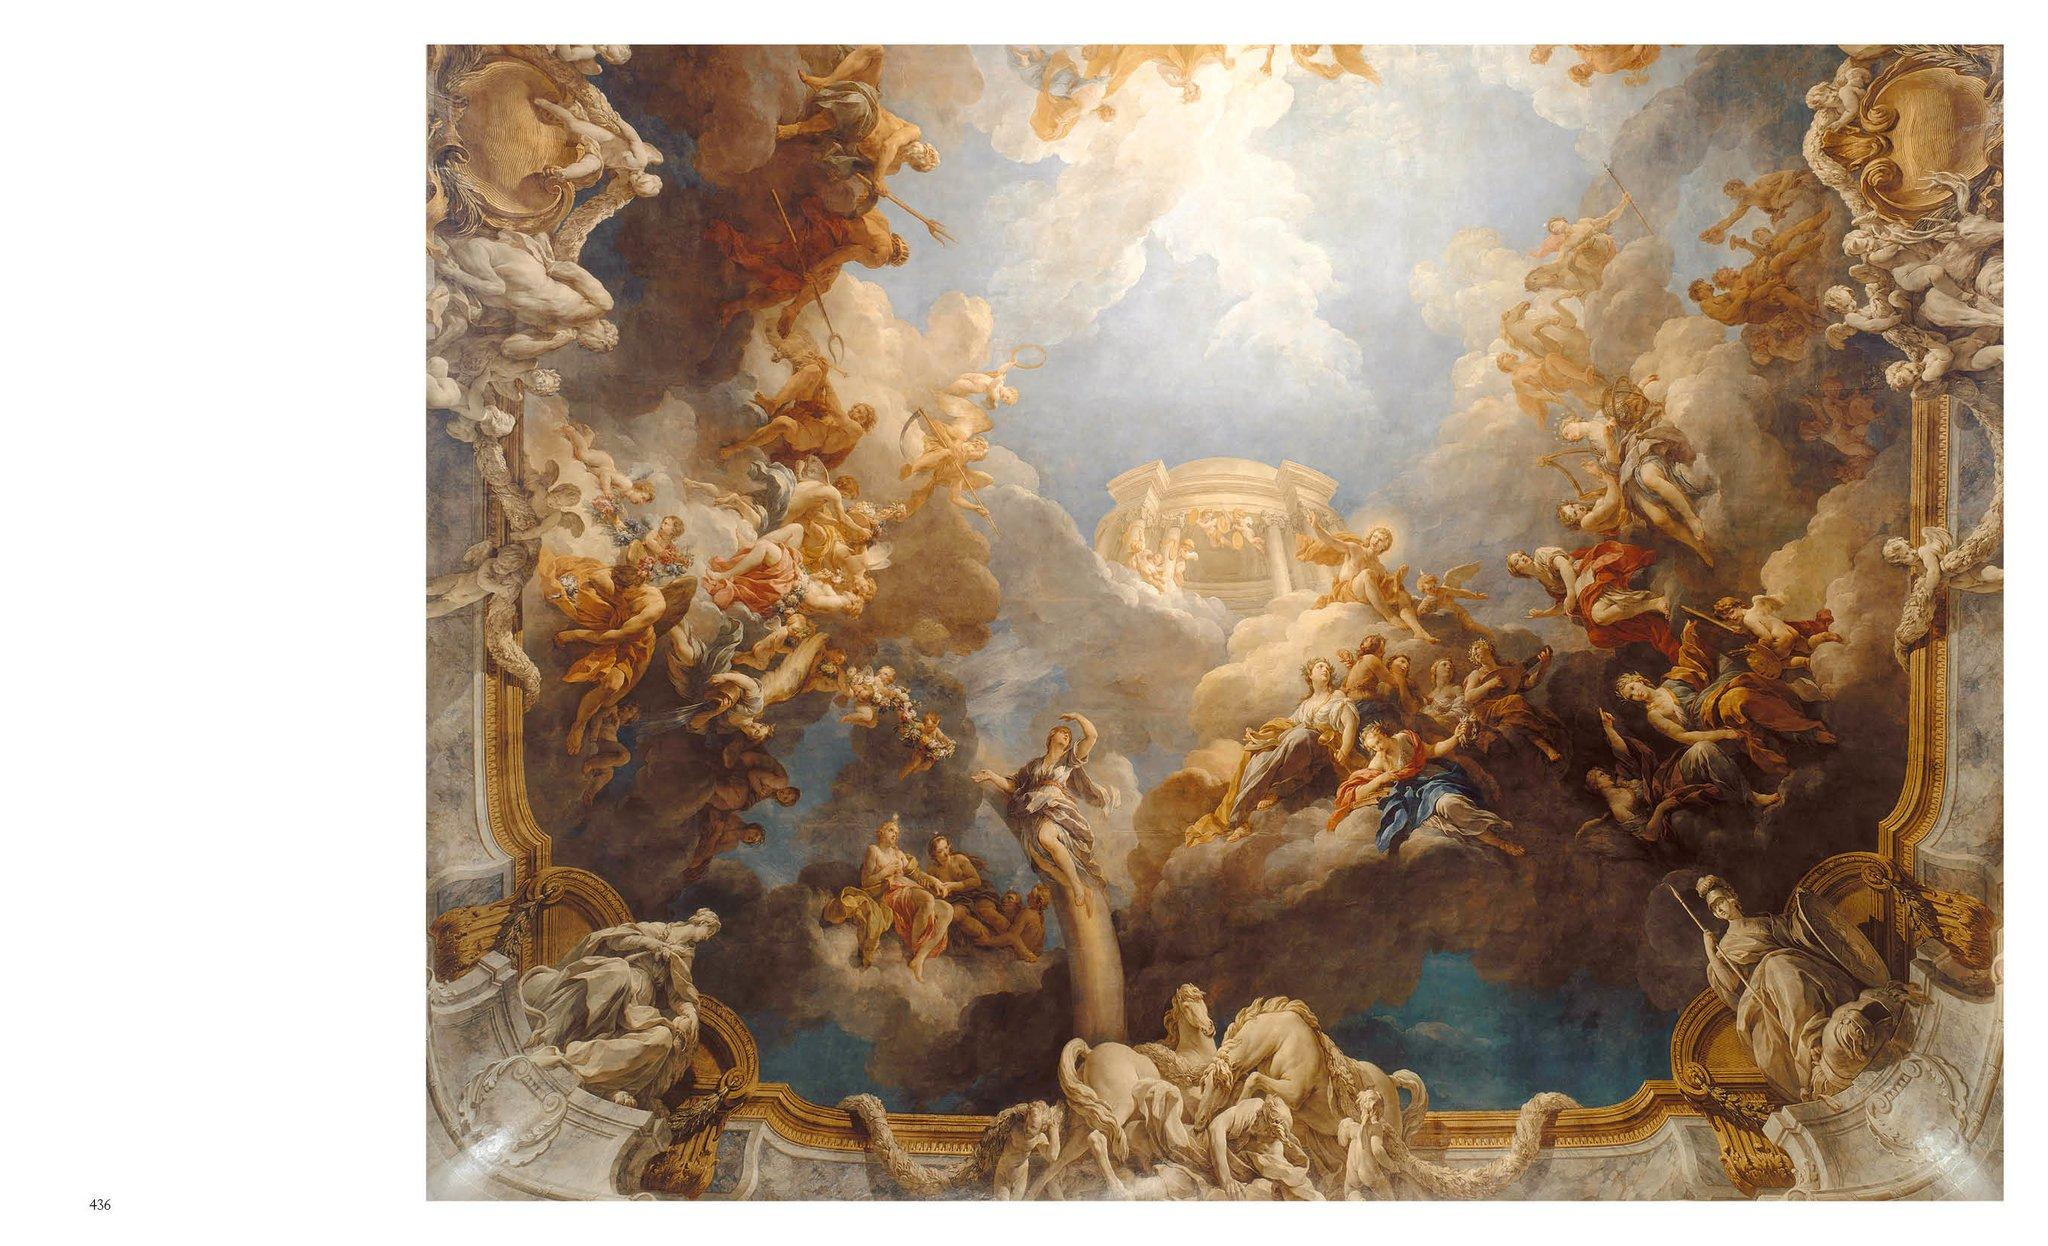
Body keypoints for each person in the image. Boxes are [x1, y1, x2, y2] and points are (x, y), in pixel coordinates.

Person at [1694, 875, 1900, 1100]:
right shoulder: (1724, 947)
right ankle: (1812, 1048)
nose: (1719, 909)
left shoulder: (1766, 923)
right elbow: (1731, 984)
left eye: (1720, 901)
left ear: (1732, 897)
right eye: (1713, 908)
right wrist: (1710, 952)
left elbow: (1798, 936)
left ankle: (1815, 1039)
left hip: (1806, 972)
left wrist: (1804, 915)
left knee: (1779, 964)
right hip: (1765, 995)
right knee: (1776, 965)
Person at [1186, 659, 1360, 844]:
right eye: (1319, 666)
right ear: (1310, 676)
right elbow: (1285, 728)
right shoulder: (1305, 705)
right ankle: (1241, 820)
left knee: (1300, 736)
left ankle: (1274, 789)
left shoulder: (1336, 696)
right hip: (1300, 743)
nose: (1325, 669)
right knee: (1259, 756)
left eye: (1327, 667)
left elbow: (1350, 723)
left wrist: (1344, 750)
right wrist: (1259, 736)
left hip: (1325, 747)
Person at [973, 713, 1119, 917]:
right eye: (1063, 732)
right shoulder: (1034, 765)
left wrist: (1077, 717)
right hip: (1034, 813)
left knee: (1046, 837)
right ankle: (1082, 889)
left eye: (1069, 735)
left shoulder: (1068, 760)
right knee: (1041, 862)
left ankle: (1077, 886)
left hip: (1056, 809)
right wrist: (991, 776)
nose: (1067, 736)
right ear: (1051, 735)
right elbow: (1012, 786)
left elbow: (1092, 736)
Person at [1327, 721, 1522, 856]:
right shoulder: (1378, 761)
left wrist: (1456, 737)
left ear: (1384, 733)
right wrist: (1380, 779)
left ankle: (1499, 839)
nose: (1377, 748)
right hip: (1413, 794)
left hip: (1432, 780)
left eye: (1378, 742)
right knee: (1439, 821)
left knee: (1450, 804)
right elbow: (1357, 791)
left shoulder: (1406, 738)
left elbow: (1434, 750)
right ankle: (1498, 843)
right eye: (1373, 747)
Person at [1506, 542, 1680, 664]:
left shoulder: (1540, 554)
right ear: (1519, 572)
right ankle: (1650, 605)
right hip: (1580, 589)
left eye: (1520, 555)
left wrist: (1571, 593)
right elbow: (1566, 605)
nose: (1522, 558)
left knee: (1599, 616)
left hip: (1585, 572)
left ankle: (1654, 603)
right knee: (1598, 634)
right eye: (1517, 561)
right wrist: (1544, 614)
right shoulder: (1544, 582)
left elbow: (1566, 567)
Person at [847, 816, 958, 981]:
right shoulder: (873, 850)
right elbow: (866, 881)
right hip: (888, 892)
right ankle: (914, 950)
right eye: (891, 830)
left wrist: (934, 881)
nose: (895, 834)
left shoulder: (898, 853)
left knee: (947, 910)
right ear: (881, 832)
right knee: (927, 899)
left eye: (897, 832)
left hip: (907, 888)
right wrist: (886, 871)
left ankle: (919, 958)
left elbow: (917, 874)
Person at [1462, 640, 1566, 764]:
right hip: (1488, 710)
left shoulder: (1509, 670)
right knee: (1515, 700)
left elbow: (1529, 684)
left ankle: (1546, 748)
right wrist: (1489, 684)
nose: (1475, 652)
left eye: (1477, 648)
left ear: (1489, 648)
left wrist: (1543, 667)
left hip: (1510, 707)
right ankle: (1546, 748)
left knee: (1520, 707)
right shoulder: (1476, 674)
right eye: (1473, 652)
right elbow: (1469, 697)